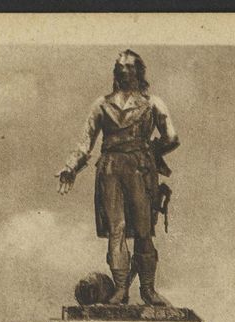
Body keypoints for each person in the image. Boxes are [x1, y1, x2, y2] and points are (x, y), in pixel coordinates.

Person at [57, 50, 179, 305]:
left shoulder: (153, 103)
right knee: (117, 229)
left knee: (144, 231)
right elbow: (85, 142)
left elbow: (171, 137)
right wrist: (71, 167)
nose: (124, 71)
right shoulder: (101, 105)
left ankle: (147, 290)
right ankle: (121, 289)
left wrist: (150, 152)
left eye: (129, 67)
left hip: (140, 170)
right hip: (110, 169)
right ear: (116, 73)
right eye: (120, 67)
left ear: (138, 71)